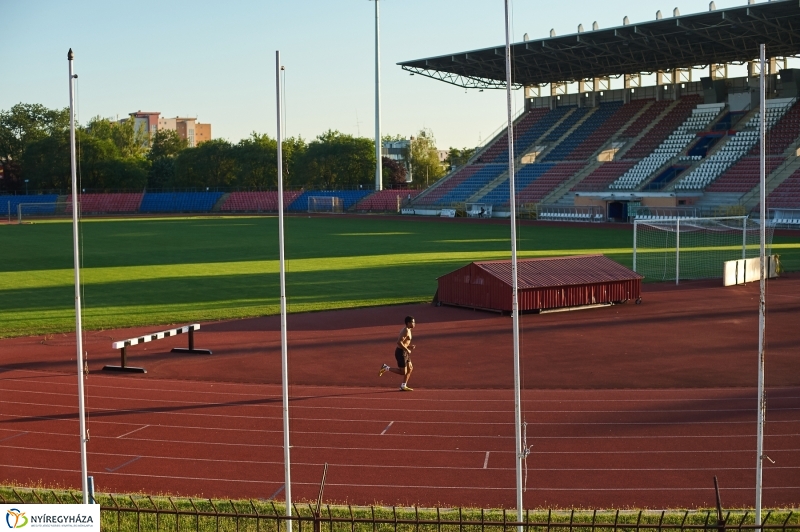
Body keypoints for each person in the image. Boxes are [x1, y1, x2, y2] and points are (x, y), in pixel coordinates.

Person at [379, 316, 416, 391]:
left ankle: (403, 385)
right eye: (413, 322)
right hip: (401, 353)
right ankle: (386, 368)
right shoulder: (405, 330)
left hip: (405, 351)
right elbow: (399, 342)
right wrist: (407, 349)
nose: (414, 324)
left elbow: (404, 342)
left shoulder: (409, 329)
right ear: (408, 323)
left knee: (410, 368)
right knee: (403, 372)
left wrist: (409, 346)